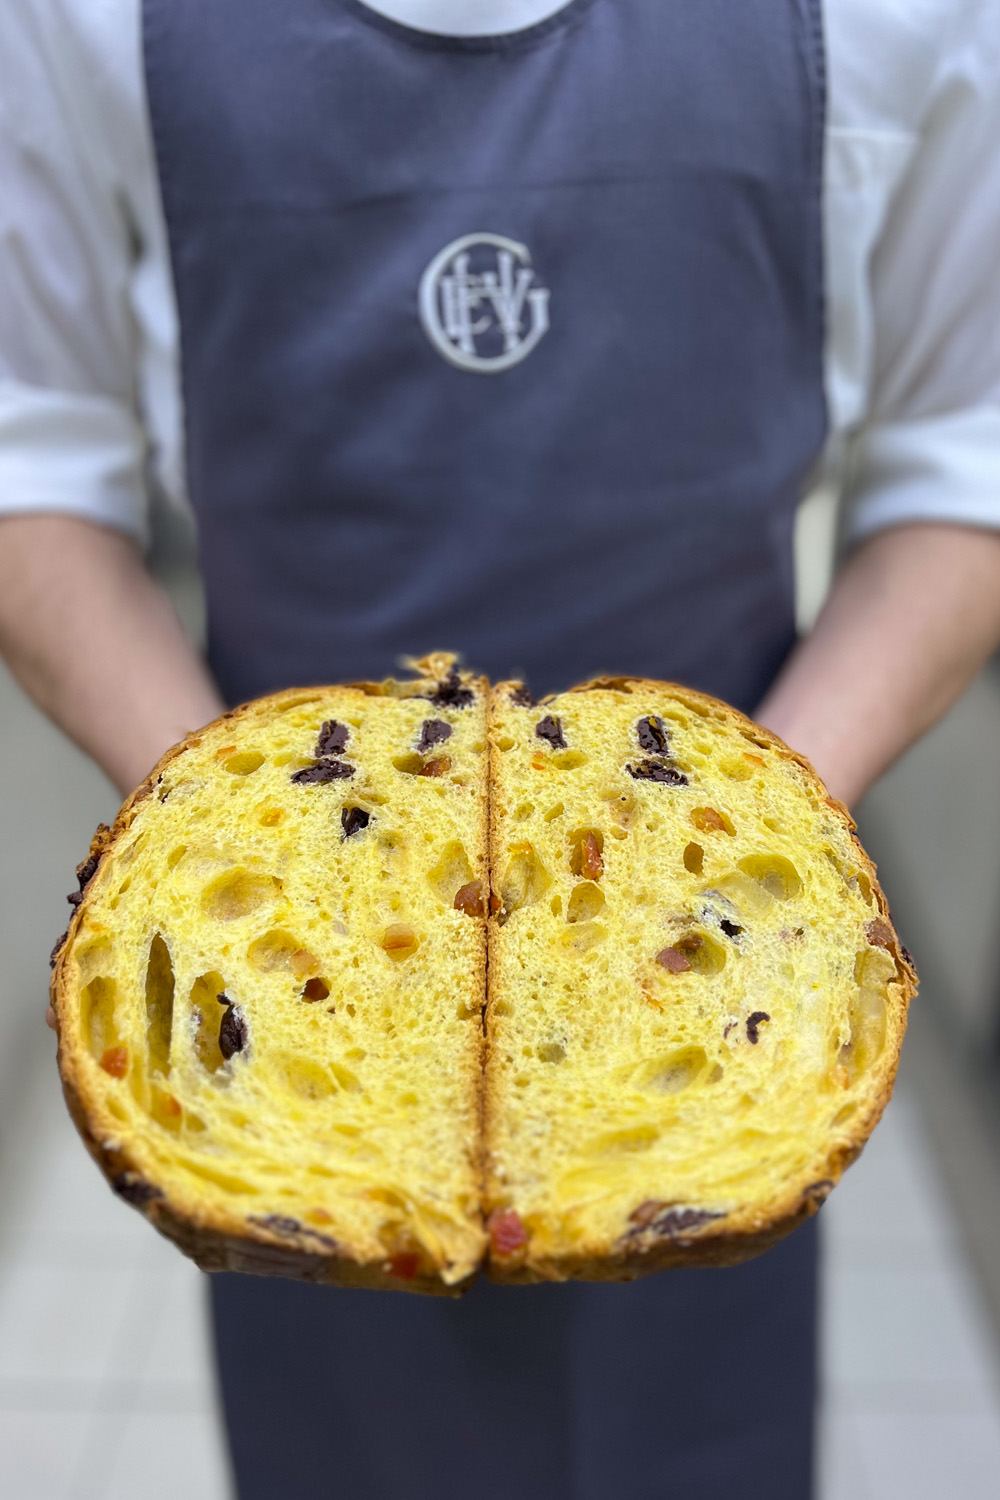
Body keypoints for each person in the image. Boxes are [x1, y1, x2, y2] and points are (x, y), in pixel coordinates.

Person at [2, 1, 999, 1495]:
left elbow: (964, 457)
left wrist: (758, 846)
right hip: (299, 1001)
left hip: (704, 983)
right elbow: (31, 455)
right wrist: (244, 857)